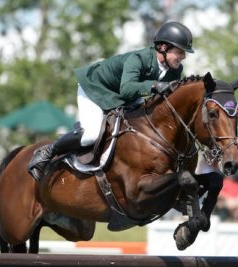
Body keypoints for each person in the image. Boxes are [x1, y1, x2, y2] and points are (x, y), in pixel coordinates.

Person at [28, 21, 195, 181]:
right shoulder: (138, 59)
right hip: (95, 89)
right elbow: (127, 88)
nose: (183, 57)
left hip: (125, 98)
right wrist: (154, 85)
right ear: (164, 47)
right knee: (90, 135)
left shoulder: (175, 69)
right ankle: (48, 151)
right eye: (180, 52)